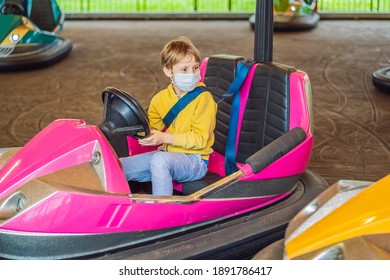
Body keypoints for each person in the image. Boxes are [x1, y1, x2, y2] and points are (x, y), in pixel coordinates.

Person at [120, 36, 217, 196]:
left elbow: (200, 139)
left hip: (195, 160)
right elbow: (151, 128)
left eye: (195, 68)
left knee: (160, 160)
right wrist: (143, 134)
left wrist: (164, 138)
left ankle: (161, 209)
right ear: (168, 71)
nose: (192, 74)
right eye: (184, 69)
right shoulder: (160, 98)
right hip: (167, 154)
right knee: (118, 166)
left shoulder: (204, 98)